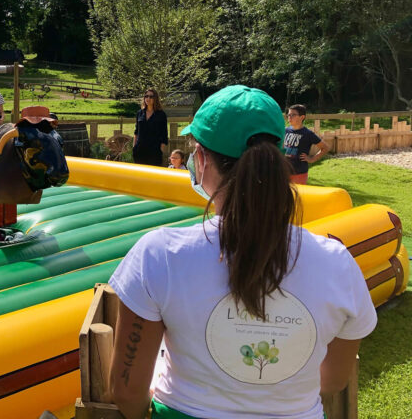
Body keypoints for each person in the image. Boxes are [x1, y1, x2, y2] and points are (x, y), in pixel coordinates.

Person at [108, 85, 376, 419]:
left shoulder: (159, 255)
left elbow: (126, 390)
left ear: (202, 161)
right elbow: (331, 381)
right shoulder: (336, 263)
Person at [284, 104, 330, 184]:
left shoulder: (308, 134)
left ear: (302, 117)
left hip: (299, 173)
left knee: (298, 196)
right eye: (288, 115)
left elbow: (325, 148)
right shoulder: (285, 130)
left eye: (293, 115)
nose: (289, 117)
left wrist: (312, 159)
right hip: (284, 172)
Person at [133, 89, 168, 167]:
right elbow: (136, 132)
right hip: (140, 151)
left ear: (155, 98)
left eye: (151, 96)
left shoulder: (161, 115)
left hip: (154, 152)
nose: (148, 98)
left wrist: (160, 151)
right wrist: (134, 148)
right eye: (146, 96)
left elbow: (164, 135)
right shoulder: (139, 113)